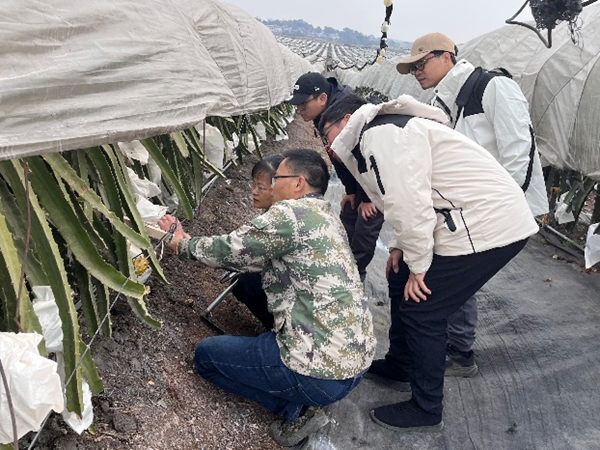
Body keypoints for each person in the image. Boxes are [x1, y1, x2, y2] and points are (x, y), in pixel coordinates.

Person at [318, 94, 539, 431]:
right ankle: (401, 366)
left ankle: (426, 408)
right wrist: (401, 247)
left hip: (489, 224)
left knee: (424, 309)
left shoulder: (382, 134)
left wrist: (419, 266)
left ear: (346, 120)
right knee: (398, 274)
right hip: (466, 217)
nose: (327, 145)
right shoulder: (379, 133)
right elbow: (399, 197)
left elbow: (410, 203)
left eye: (327, 134)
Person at [158, 149, 376, 447]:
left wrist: (181, 243)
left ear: (298, 183)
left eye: (277, 179)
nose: (271, 186)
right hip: (355, 362)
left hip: (320, 373)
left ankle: (295, 410)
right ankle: (289, 372)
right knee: (248, 282)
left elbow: (230, 250)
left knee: (206, 357)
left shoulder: (290, 213)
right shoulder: (325, 216)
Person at [395, 32, 549, 377]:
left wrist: (504, 208)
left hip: (494, 210)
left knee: (453, 274)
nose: (416, 72)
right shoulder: (443, 102)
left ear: (446, 56)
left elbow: (519, 151)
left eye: (421, 64)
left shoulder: (492, 88)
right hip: (467, 208)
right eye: (412, 68)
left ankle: (459, 351)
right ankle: (455, 345)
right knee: (453, 273)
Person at [288, 72, 384, 282]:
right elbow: (338, 157)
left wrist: (368, 197)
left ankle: (353, 279)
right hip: (359, 178)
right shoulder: (323, 114)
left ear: (322, 98)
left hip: (377, 182)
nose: (300, 109)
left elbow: (367, 156)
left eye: (303, 104)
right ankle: (338, 266)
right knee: (348, 214)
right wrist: (351, 191)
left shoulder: (346, 113)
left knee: (366, 224)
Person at [229, 155, 284, 330]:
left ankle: (277, 329)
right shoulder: (280, 210)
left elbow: (236, 251)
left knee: (245, 283)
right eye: (253, 185)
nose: (254, 191)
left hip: (299, 312)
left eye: (260, 187)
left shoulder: (279, 222)